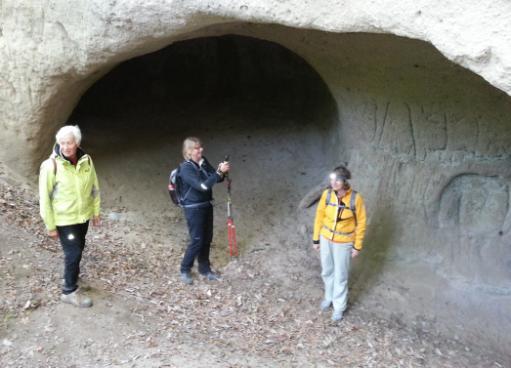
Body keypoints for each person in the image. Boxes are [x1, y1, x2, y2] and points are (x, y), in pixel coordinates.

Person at [39, 125, 101, 308]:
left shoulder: (86, 160)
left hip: (82, 217)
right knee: (73, 252)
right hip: (64, 219)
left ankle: (72, 277)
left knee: (80, 247)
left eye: (70, 143)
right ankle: (69, 291)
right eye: (62, 143)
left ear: (77, 143)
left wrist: (96, 212)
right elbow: (44, 198)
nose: (66, 147)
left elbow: (94, 187)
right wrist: (50, 225)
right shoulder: (51, 166)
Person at [312, 165, 367, 321]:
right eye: (332, 179)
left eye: (338, 179)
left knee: (341, 275)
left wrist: (357, 245)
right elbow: (319, 217)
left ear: (345, 181)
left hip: (344, 242)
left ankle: (339, 306)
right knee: (327, 270)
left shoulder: (356, 198)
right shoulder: (327, 195)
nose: (334, 183)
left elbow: (361, 223)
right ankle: (328, 297)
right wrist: (316, 239)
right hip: (326, 238)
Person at [177, 137, 230, 285]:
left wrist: (222, 172)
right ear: (188, 152)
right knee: (197, 239)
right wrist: (218, 173)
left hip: (206, 205)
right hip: (193, 208)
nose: (201, 150)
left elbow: (216, 179)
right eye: (196, 148)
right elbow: (203, 186)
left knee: (207, 238)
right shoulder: (186, 169)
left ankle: (205, 269)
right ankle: (184, 269)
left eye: (201, 147)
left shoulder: (203, 161)